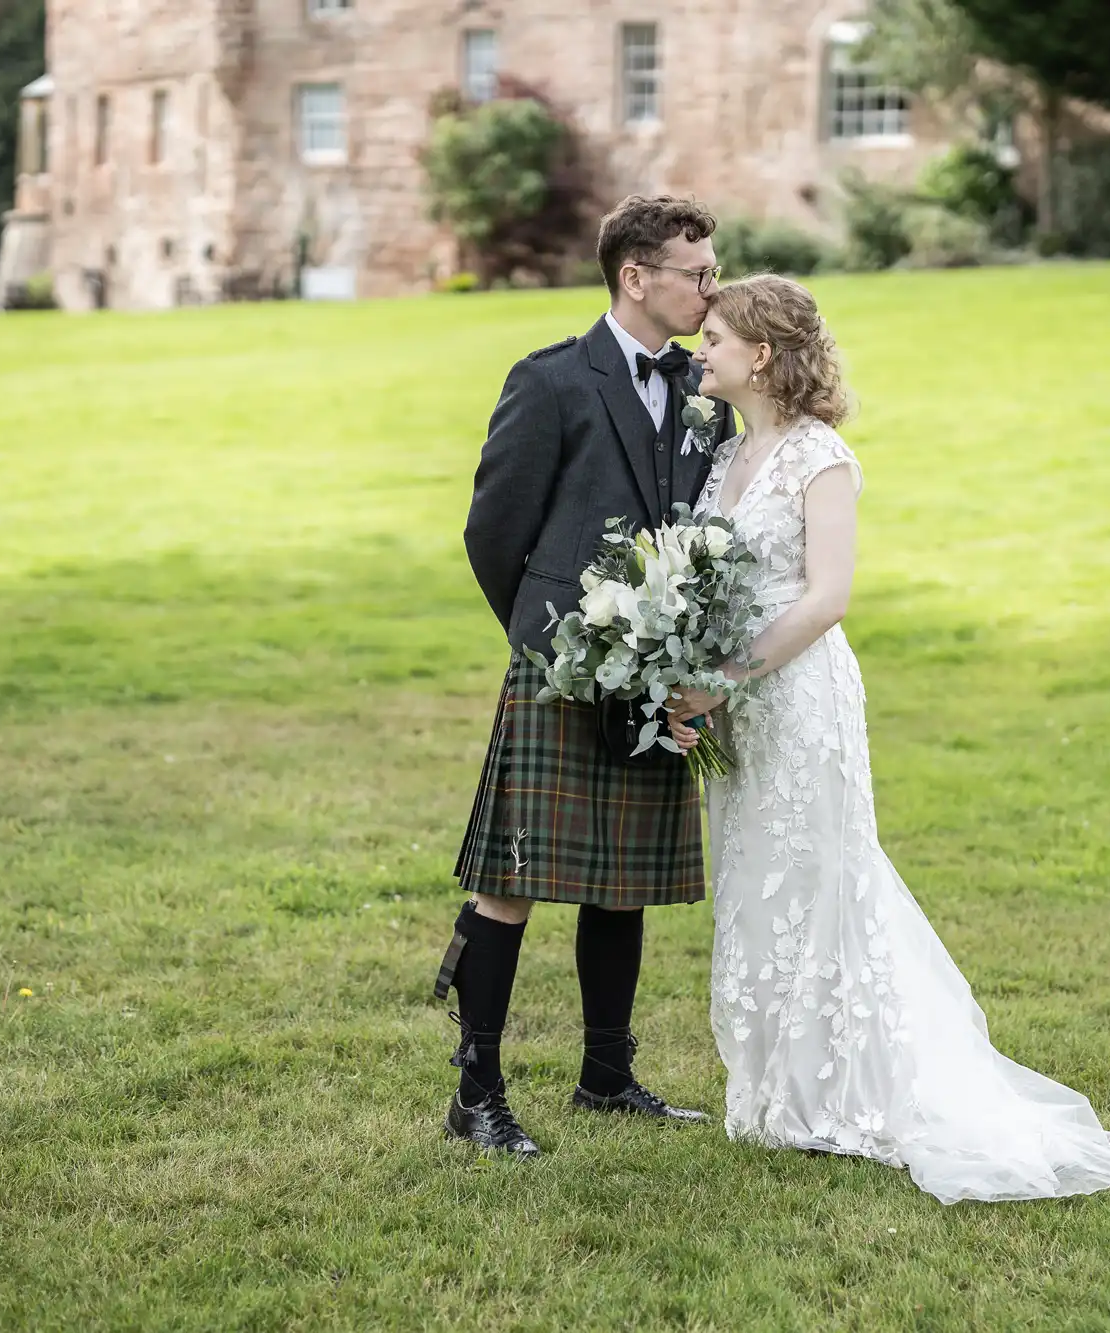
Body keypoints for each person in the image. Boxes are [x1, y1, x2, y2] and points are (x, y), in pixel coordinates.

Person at [668, 275, 1110, 1202]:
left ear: (762, 354)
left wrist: (727, 676)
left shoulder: (820, 457)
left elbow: (827, 597)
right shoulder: (725, 458)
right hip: (738, 708)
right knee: (758, 876)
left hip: (800, 697)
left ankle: (848, 1091)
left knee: (822, 875)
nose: (699, 350)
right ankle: (780, 1091)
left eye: (714, 338)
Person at [441, 195, 738, 1156]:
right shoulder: (553, 381)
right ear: (634, 276)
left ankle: (607, 1077)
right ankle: (475, 1094)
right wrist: (550, 640)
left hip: (655, 670)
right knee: (515, 880)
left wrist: (664, 652)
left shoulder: (709, 389)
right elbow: (496, 532)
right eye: (697, 272)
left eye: (712, 269)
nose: (710, 288)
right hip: (563, 665)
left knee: (622, 881)